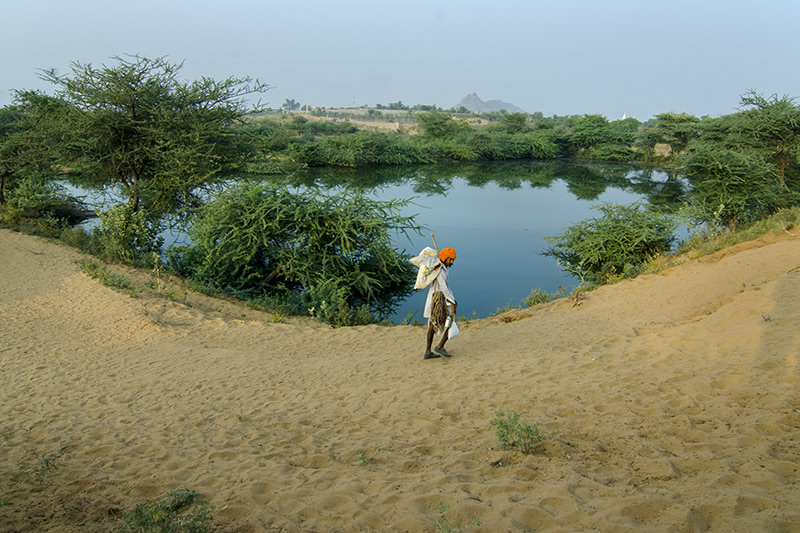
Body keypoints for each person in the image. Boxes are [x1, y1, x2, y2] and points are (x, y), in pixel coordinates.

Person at [423, 247, 457, 359]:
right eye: (450, 260)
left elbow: (446, 286)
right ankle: (438, 347)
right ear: (445, 258)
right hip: (437, 299)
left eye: (453, 260)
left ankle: (431, 350)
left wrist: (452, 299)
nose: (452, 262)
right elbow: (443, 287)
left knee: (434, 324)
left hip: (440, 298)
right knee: (444, 322)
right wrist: (452, 301)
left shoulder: (444, 268)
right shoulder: (440, 270)